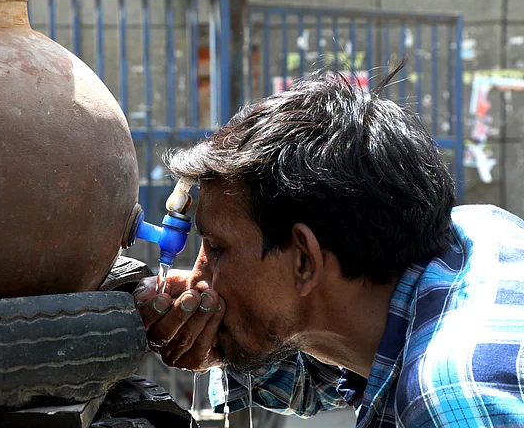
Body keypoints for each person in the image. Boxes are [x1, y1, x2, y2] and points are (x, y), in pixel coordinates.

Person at [133, 61, 524, 427]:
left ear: (304, 260)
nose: (200, 279)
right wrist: (227, 342)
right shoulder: (475, 233)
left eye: (216, 249)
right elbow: (326, 368)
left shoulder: (449, 403)